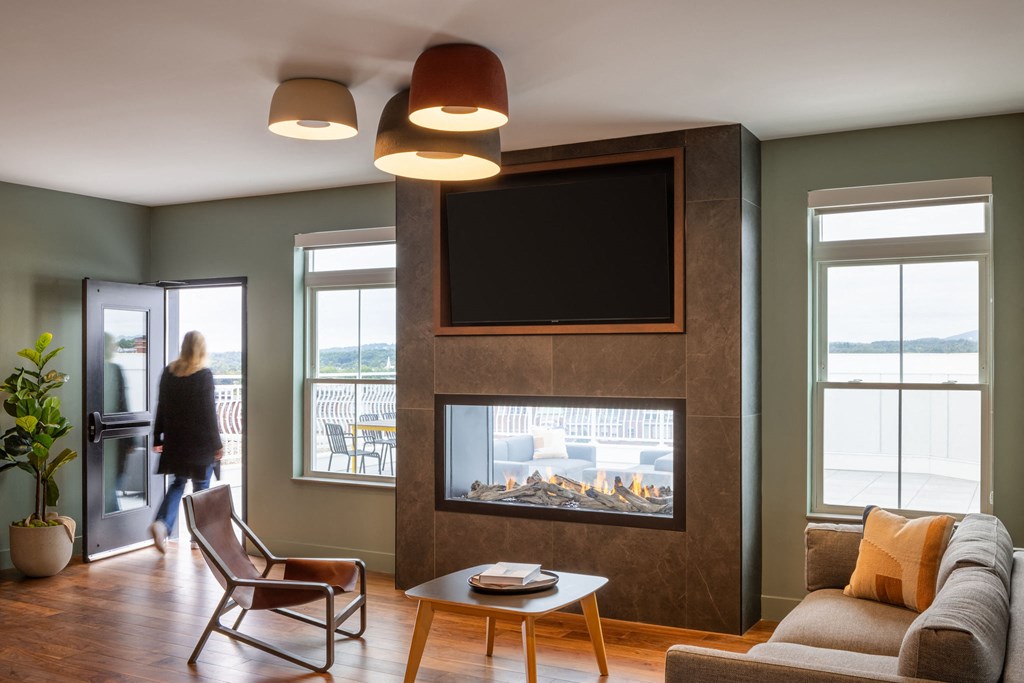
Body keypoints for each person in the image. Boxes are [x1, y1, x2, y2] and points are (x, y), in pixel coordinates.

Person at [150, 330, 223, 553]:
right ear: (202, 349)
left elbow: (161, 405)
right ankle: (198, 537)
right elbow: (209, 413)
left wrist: (158, 435)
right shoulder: (204, 375)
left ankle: (162, 524)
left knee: (178, 483)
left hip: (176, 440)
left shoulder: (169, 372)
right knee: (201, 488)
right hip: (200, 442)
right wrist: (217, 444)